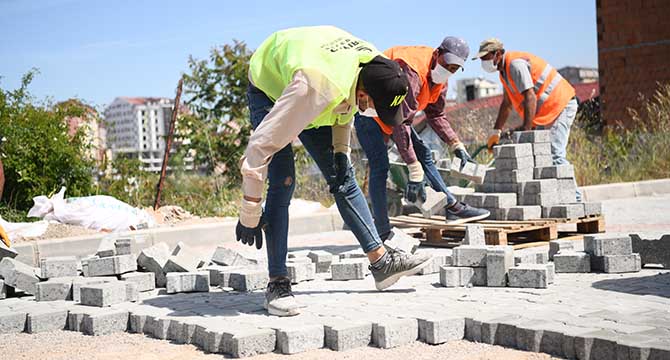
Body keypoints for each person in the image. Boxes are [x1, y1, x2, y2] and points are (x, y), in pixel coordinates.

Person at [236, 26, 432, 317]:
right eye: (376, 108)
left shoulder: (375, 66)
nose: (375, 114)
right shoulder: (313, 88)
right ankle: (277, 283)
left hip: (320, 75)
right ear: (365, 94)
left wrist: (342, 153)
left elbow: (347, 107)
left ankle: (382, 263)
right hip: (271, 83)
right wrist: (249, 213)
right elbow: (259, 148)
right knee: (283, 180)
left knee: (344, 177)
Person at [354, 37, 490, 240]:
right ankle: (382, 231)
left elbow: (435, 115)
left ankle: (452, 207)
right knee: (379, 166)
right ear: (437, 54)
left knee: (424, 152)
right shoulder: (413, 71)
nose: (448, 70)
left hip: (393, 114)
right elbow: (400, 122)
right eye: (447, 65)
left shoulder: (441, 82)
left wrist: (456, 145)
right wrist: (414, 171)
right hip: (369, 111)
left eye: (454, 69)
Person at [473, 38, 581, 201]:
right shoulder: (504, 72)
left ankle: (575, 199)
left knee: (554, 152)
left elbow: (530, 97)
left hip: (562, 104)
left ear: (497, 54)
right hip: (547, 111)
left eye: (486, 57)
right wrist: (496, 132)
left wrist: (526, 131)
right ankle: (551, 198)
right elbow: (507, 104)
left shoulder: (515, 65)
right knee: (540, 155)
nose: (483, 62)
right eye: (481, 59)